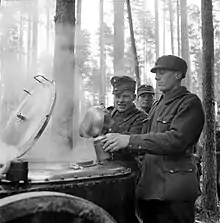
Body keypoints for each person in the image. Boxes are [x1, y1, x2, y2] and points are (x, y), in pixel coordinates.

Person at [101, 55, 205, 223]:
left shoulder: (189, 103)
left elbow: (176, 140)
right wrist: (115, 138)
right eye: (156, 73)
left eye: (162, 72)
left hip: (174, 192)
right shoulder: (158, 105)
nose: (157, 77)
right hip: (151, 189)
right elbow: (145, 140)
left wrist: (129, 140)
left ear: (178, 75)